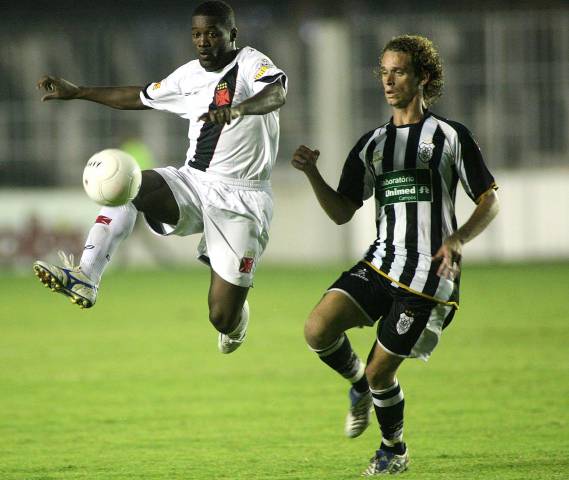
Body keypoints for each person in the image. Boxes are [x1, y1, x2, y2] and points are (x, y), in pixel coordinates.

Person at [291, 35, 499, 475]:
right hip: (381, 263)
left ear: (423, 77)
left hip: (427, 277)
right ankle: (357, 386)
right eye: (384, 72)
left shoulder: (450, 136)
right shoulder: (371, 144)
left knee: (381, 373)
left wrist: (458, 238)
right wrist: (312, 174)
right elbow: (342, 212)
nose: (388, 81)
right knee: (316, 329)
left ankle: (394, 450)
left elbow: (489, 200)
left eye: (398, 71)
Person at [33, 0, 287, 354]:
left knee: (221, 317)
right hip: (194, 182)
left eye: (212, 34)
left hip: (243, 199)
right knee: (127, 184)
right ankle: (87, 276)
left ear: (232, 34)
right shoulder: (189, 75)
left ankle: (236, 321)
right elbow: (139, 96)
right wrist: (79, 92)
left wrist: (239, 109)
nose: (203, 41)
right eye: (196, 34)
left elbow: (277, 92)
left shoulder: (250, 63)